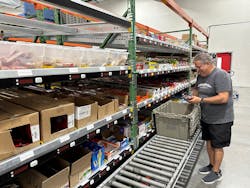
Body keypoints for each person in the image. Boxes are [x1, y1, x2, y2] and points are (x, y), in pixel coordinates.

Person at [188, 53, 234, 184]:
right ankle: (211, 164)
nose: (197, 70)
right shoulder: (201, 76)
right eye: (196, 67)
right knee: (208, 142)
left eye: (199, 67)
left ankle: (216, 171)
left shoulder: (221, 75)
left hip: (221, 118)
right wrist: (192, 97)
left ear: (208, 64)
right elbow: (197, 89)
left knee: (217, 146)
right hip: (207, 116)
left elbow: (224, 97)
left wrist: (201, 99)